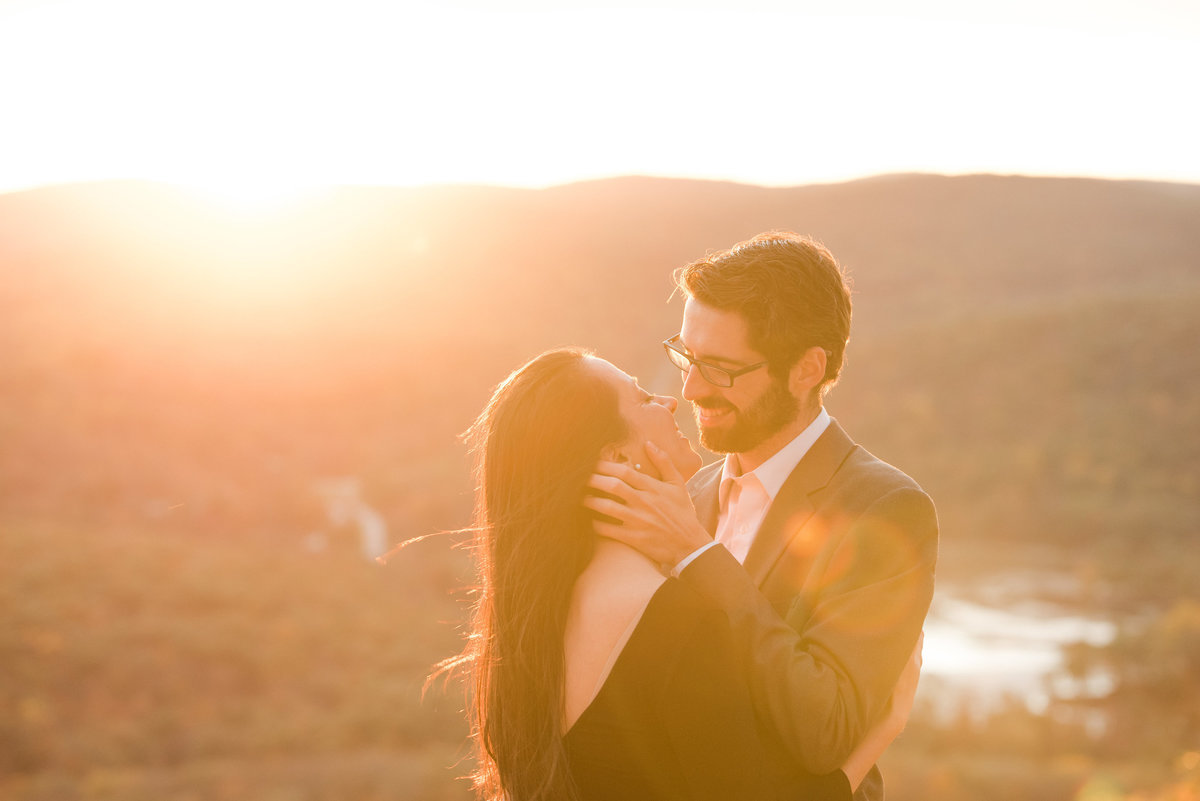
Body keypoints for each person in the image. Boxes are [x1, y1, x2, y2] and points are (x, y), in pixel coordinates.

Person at [449, 347, 921, 801]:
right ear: (616, 460)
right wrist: (878, 735)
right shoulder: (676, 617)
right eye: (641, 397)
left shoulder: (534, 615)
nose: (671, 399)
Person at [586, 232, 939, 800]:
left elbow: (826, 732)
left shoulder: (886, 507)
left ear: (806, 370)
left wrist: (698, 558)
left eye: (721, 368)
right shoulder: (689, 495)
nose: (692, 387)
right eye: (686, 356)